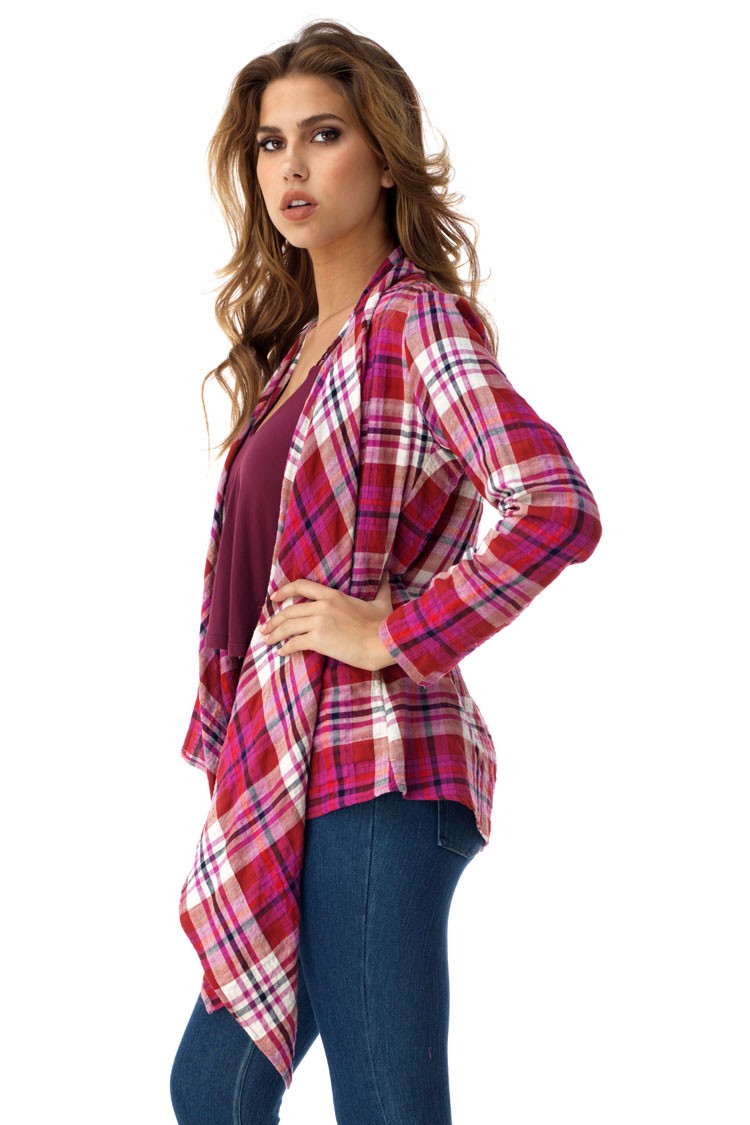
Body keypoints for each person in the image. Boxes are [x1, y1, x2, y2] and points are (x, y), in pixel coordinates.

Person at [169, 19, 602, 1125]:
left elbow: (554, 507)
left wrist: (392, 632)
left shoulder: (415, 324)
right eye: (271, 144)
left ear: (387, 157)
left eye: (324, 135)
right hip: (296, 766)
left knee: (386, 1109)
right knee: (212, 1090)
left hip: (384, 767)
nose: (293, 167)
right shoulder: (294, 354)